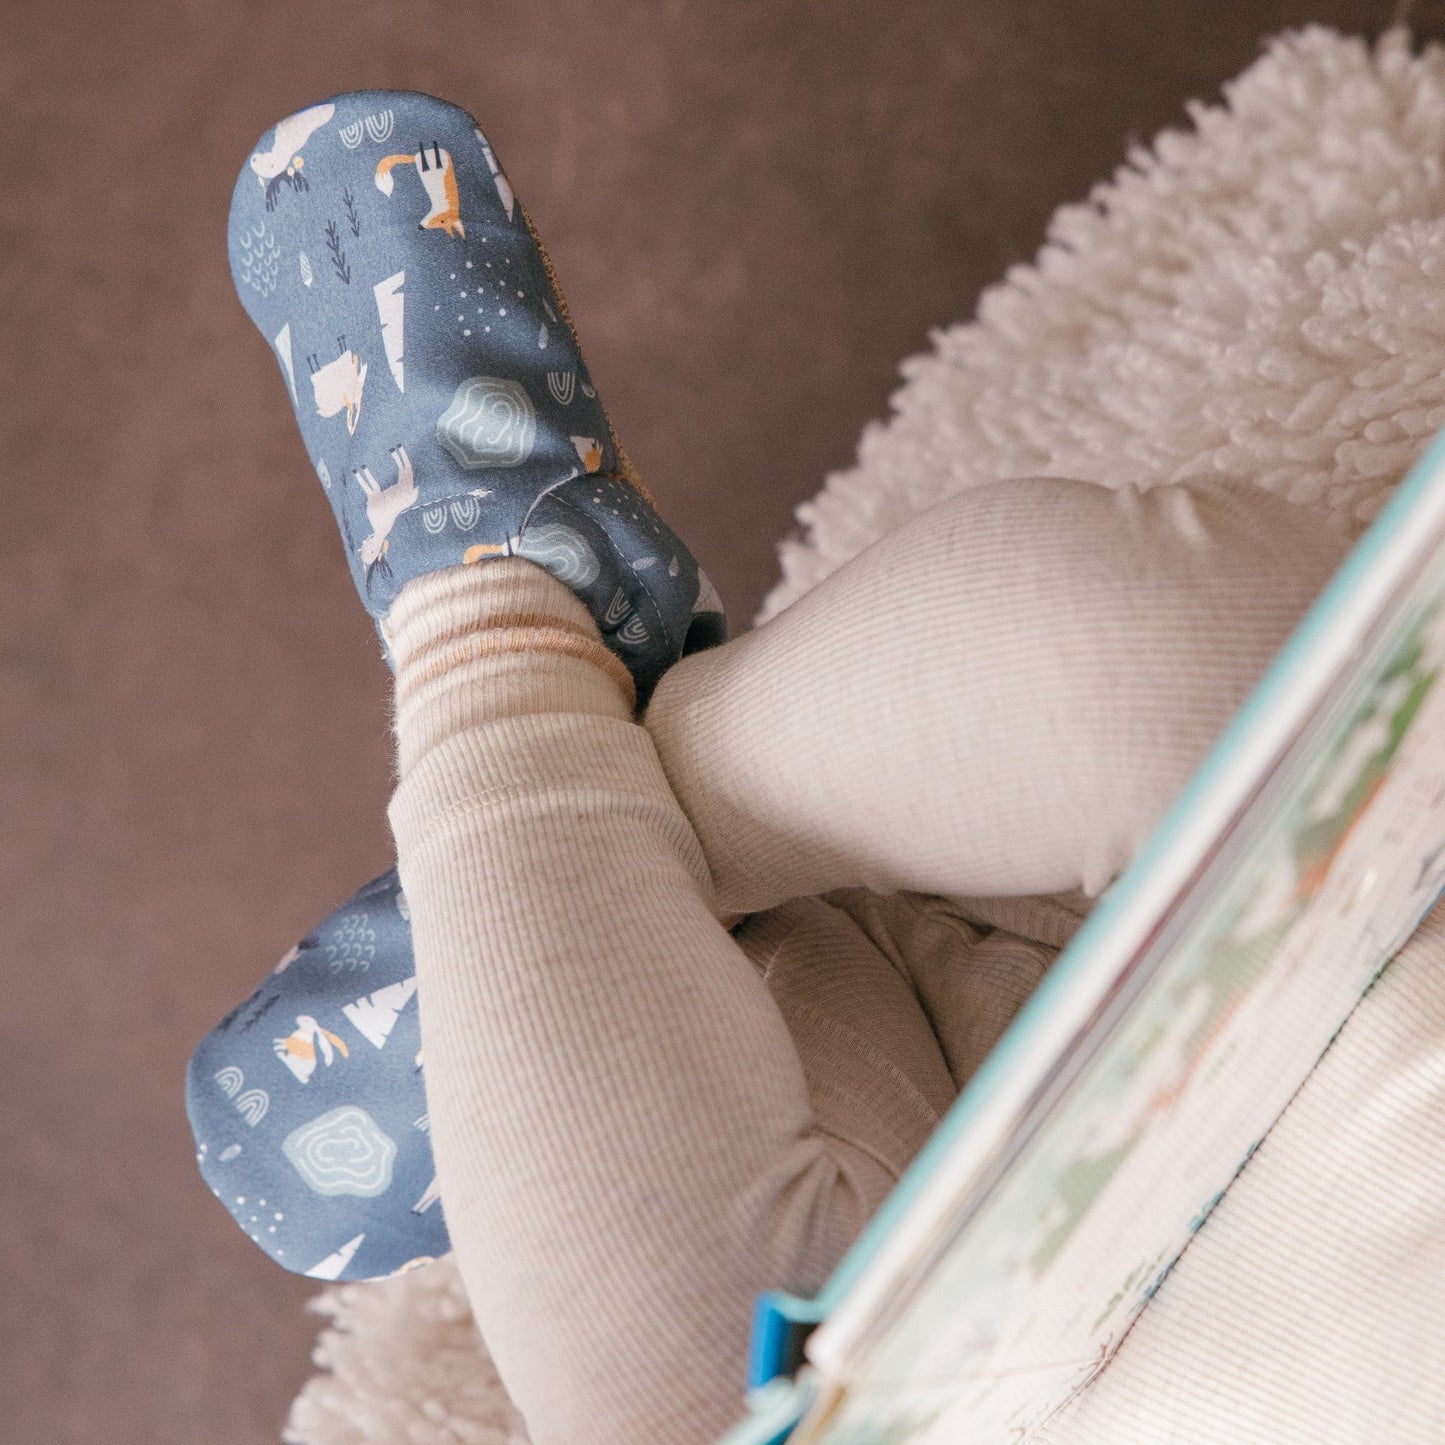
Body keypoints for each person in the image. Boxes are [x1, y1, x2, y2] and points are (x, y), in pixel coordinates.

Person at [187, 91, 1355, 1444]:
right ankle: (596, 785)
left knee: (690, 1389)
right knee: (1184, 652)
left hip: (978, 1346)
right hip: (1310, 934)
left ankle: (500, 635)